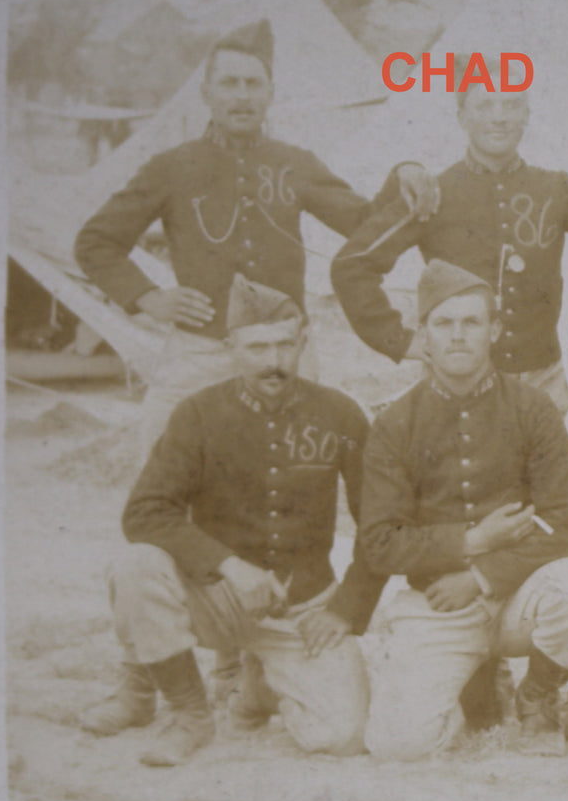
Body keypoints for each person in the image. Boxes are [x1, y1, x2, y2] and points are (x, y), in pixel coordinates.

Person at [74, 18, 439, 459]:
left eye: (253, 84)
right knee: (160, 465)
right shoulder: (171, 167)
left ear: (270, 94)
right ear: (206, 93)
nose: (242, 95)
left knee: (298, 471)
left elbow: (364, 222)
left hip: (285, 350)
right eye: (229, 83)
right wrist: (148, 297)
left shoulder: (295, 163)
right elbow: (95, 242)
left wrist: (403, 173)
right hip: (201, 350)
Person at [77, 274, 387, 767]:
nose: (273, 361)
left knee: (342, 737)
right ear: (230, 348)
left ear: (302, 342)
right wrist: (227, 565)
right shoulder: (197, 414)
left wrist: (345, 609)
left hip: (303, 607)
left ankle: (258, 690)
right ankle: (188, 714)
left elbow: (380, 525)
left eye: (285, 345)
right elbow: (144, 512)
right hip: (218, 598)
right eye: (257, 347)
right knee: (137, 567)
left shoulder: (341, 414)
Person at [358, 260, 568, 760]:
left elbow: (566, 526)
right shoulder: (394, 423)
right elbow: (379, 543)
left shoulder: (533, 408)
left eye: (471, 322)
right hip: (437, 601)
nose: (458, 336)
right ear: (423, 336)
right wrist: (470, 542)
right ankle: (464, 688)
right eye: (443, 323)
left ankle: (536, 696)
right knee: (399, 745)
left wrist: (480, 575)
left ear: (494, 330)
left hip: (521, 595)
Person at [331, 82, 568, 415]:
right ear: (461, 118)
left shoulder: (556, 188)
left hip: (541, 384)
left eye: (511, 105)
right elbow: (352, 265)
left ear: (527, 116)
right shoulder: (434, 192)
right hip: (454, 386)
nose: (498, 118)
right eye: (485, 106)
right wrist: (400, 340)